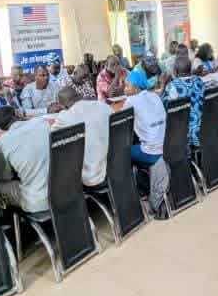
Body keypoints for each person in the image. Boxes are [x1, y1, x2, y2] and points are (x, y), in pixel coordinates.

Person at [124, 71, 169, 217]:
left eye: (127, 85)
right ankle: (145, 186)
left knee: (124, 153)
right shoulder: (154, 96)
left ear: (136, 87)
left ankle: (137, 193)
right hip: (167, 146)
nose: (124, 88)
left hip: (151, 150)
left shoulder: (130, 101)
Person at [0, 106, 50, 215]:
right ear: (17, 114)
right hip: (65, 189)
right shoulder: (42, 122)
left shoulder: (0, 144)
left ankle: (8, 221)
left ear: (0, 127)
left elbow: (6, 177)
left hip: (38, 201)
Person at [52, 87, 113, 187]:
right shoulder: (103, 106)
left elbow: (52, 137)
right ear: (79, 96)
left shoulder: (65, 117)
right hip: (116, 167)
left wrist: (63, 112)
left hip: (93, 175)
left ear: (63, 106)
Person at [162, 56, 205, 146]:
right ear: (190, 69)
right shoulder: (198, 80)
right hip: (204, 129)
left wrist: (163, 84)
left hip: (186, 134)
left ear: (175, 71)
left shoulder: (173, 86)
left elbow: (164, 106)